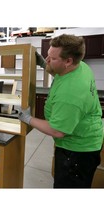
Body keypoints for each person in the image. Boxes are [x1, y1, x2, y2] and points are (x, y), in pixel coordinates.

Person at [19, 34, 103, 188]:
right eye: (47, 55)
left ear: (68, 61)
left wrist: (28, 119)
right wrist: (45, 65)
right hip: (87, 135)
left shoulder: (71, 94)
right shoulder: (80, 66)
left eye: (52, 58)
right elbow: (60, 73)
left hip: (78, 151)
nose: (47, 59)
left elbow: (57, 131)